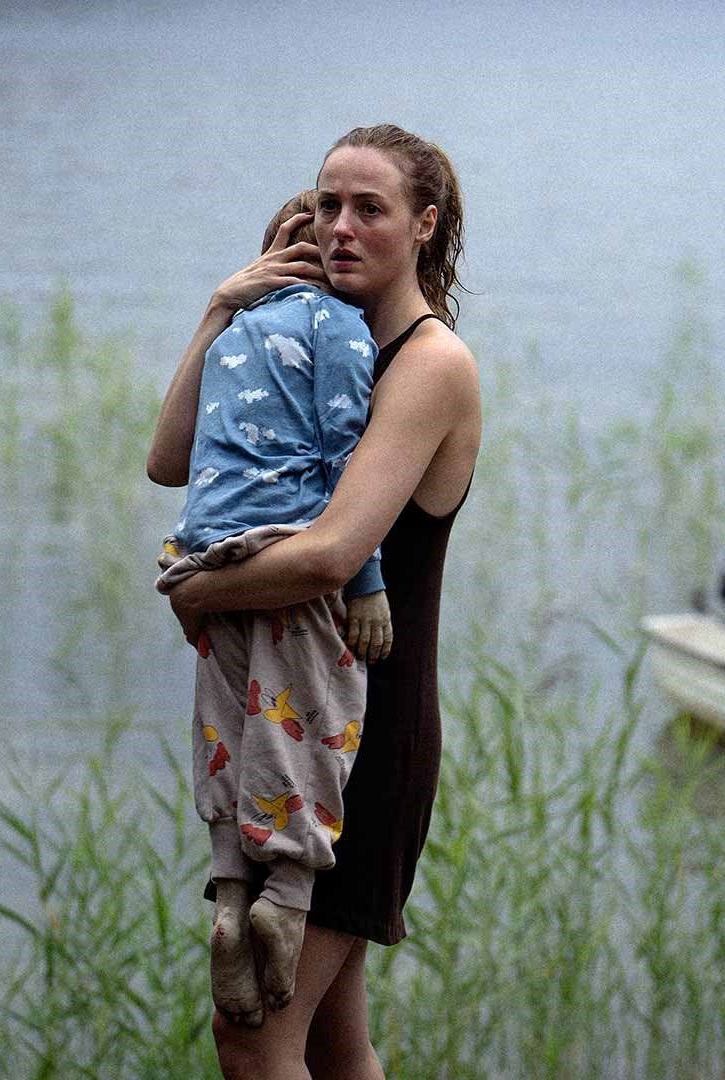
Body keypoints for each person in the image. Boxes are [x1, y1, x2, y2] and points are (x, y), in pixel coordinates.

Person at [149, 124, 480, 1080]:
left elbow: (333, 554)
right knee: (336, 1045)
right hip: (287, 718)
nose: (339, 226)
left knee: (253, 1040)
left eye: (368, 208)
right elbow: (170, 461)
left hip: (360, 742)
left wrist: (197, 588)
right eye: (327, 203)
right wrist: (222, 309)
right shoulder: (299, 340)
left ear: (423, 225)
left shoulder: (428, 364)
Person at [148, 190, 395, 1030]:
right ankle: (283, 896)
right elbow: (342, 458)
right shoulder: (344, 330)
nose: (343, 235)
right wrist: (365, 582)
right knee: (309, 718)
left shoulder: (235, 336)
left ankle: (226, 889)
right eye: (331, 221)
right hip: (286, 547)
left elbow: (168, 465)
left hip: (203, 543)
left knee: (229, 719)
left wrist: (222, 305)